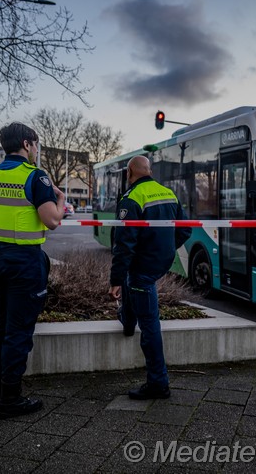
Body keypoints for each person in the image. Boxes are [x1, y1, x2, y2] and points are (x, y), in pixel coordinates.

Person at [0, 122, 65, 419]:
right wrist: (60, 199)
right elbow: (52, 221)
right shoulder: (35, 176)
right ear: (26, 144)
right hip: (24, 261)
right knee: (18, 331)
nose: (37, 149)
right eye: (36, 144)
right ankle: (11, 399)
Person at [108, 155, 191, 400]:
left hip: (142, 267)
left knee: (150, 324)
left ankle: (158, 383)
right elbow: (185, 228)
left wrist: (114, 280)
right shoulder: (168, 193)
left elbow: (123, 246)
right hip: (159, 263)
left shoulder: (131, 198)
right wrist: (165, 248)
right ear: (150, 171)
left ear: (129, 173)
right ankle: (127, 320)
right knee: (133, 286)